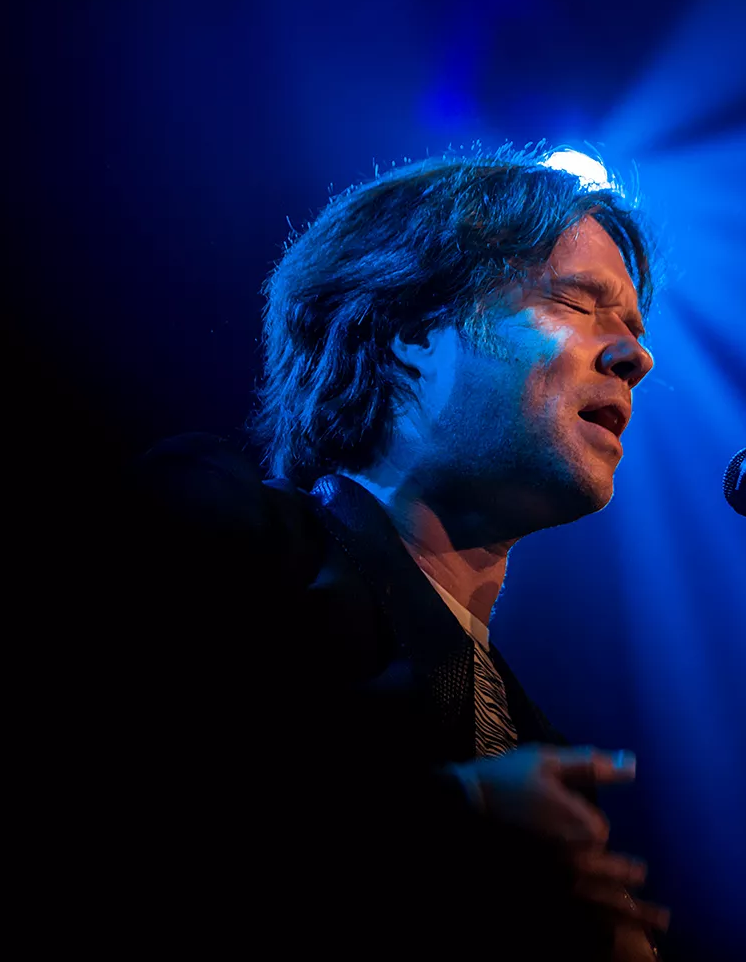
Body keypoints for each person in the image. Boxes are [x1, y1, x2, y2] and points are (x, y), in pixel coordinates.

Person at [110, 148, 668, 959]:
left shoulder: (537, 745)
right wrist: (454, 822)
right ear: (412, 332)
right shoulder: (223, 534)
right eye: (575, 302)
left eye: (635, 329)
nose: (635, 356)